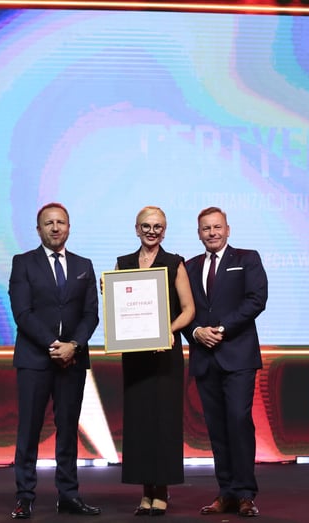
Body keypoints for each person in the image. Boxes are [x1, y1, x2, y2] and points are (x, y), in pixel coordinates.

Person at [8, 202, 101, 519]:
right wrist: (54, 345)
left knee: (68, 430)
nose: (55, 227)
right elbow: (22, 313)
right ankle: (24, 496)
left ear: (69, 227)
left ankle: (69, 495)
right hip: (35, 359)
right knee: (29, 430)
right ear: (38, 230)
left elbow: (91, 314)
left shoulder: (84, 265)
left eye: (61, 222)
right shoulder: (23, 263)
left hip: (72, 361)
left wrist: (73, 346)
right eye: (49, 223)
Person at [182, 207, 268, 518]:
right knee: (217, 428)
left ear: (228, 230)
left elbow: (256, 299)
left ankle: (245, 494)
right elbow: (181, 309)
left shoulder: (247, 258)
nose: (212, 233)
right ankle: (226, 492)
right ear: (199, 233)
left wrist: (222, 328)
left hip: (238, 356)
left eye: (217, 227)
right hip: (205, 358)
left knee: (238, 421)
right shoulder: (189, 267)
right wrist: (195, 332)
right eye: (206, 228)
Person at [115, 206, 195, 517]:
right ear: (136, 229)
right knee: (139, 422)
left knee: (164, 422)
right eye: (146, 226)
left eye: (158, 226)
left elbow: (188, 310)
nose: (152, 231)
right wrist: (109, 293)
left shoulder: (175, 263)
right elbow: (120, 308)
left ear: (165, 230)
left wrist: (168, 331)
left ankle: (161, 490)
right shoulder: (123, 263)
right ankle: (145, 490)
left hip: (165, 354)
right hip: (135, 355)